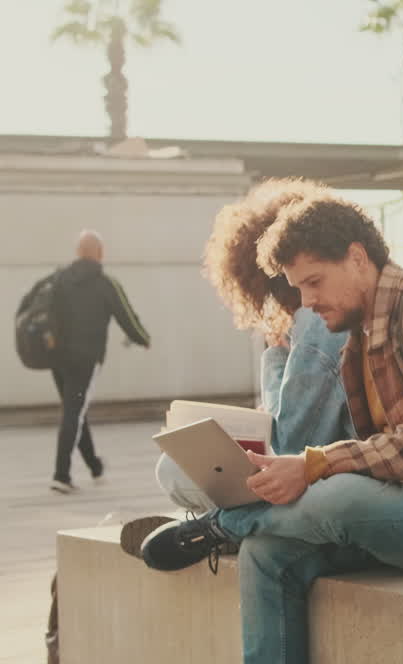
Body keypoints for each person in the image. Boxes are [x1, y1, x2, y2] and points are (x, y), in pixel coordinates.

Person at [139, 191, 403, 664]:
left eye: (314, 282)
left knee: (338, 497)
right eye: (298, 288)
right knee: (267, 553)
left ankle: (225, 524)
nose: (307, 301)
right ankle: (243, 530)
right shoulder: (361, 336)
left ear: (358, 258)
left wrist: (315, 464)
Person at [118, 179, 356, 555]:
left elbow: (290, 441)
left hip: (326, 476)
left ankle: (222, 529)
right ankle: (226, 528)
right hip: (330, 472)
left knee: (175, 469)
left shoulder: (314, 323)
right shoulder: (337, 309)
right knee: (181, 465)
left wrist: (276, 358)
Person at [23, 230, 151, 493]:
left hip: (57, 358)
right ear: (100, 254)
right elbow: (126, 316)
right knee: (74, 411)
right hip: (86, 360)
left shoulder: (59, 279)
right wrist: (142, 338)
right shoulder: (105, 283)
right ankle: (61, 475)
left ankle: (94, 466)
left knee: (75, 409)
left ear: (78, 253)